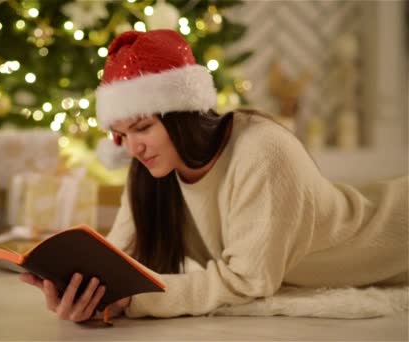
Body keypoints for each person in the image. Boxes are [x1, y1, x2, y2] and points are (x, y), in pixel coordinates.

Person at [20, 29, 408, 322]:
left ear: (181, 113)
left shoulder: (262, 149)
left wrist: (137, 298)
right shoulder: (152, 169)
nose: (132, 148)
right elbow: (119, 259)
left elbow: (250, 281)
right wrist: (86, 292)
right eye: (121, 135)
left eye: (142, 128)